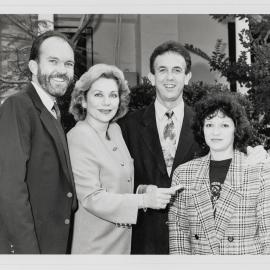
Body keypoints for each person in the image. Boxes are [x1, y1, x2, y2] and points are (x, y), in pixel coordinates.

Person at [118, 40, 269, 254]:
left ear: (187, 77)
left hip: (196, 243)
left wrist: (259, 155)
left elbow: (234, 157)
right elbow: (116, 183)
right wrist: (142, 193)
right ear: (151, 77)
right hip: (144, 240)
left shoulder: (206, 126)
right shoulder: (127, 127)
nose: (169, 77)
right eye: (162, 70)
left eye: (177, 70)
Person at [67, 63, 178, 254]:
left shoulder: (115, 129)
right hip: (95, 248)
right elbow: (92, 199)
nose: (107, 102)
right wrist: (143, 200)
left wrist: (146, 190)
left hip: (122, 245)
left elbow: (119, 185)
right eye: (98, 95)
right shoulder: (79, 136)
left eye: (113, 95)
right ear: (83, 100)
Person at [0, 31, 77, 254]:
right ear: (33, 67)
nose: (62, 70)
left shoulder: (51, 110)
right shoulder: (18, 106)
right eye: (53, 61)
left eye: (68, 64)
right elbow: (10, 190)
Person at [169, 92, 270, 255]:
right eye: (209, 125)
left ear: (236, 129)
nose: (215, 132)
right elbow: (179, 236)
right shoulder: (183, 174)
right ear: (201, 129)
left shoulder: (259, 170)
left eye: (224, 125)